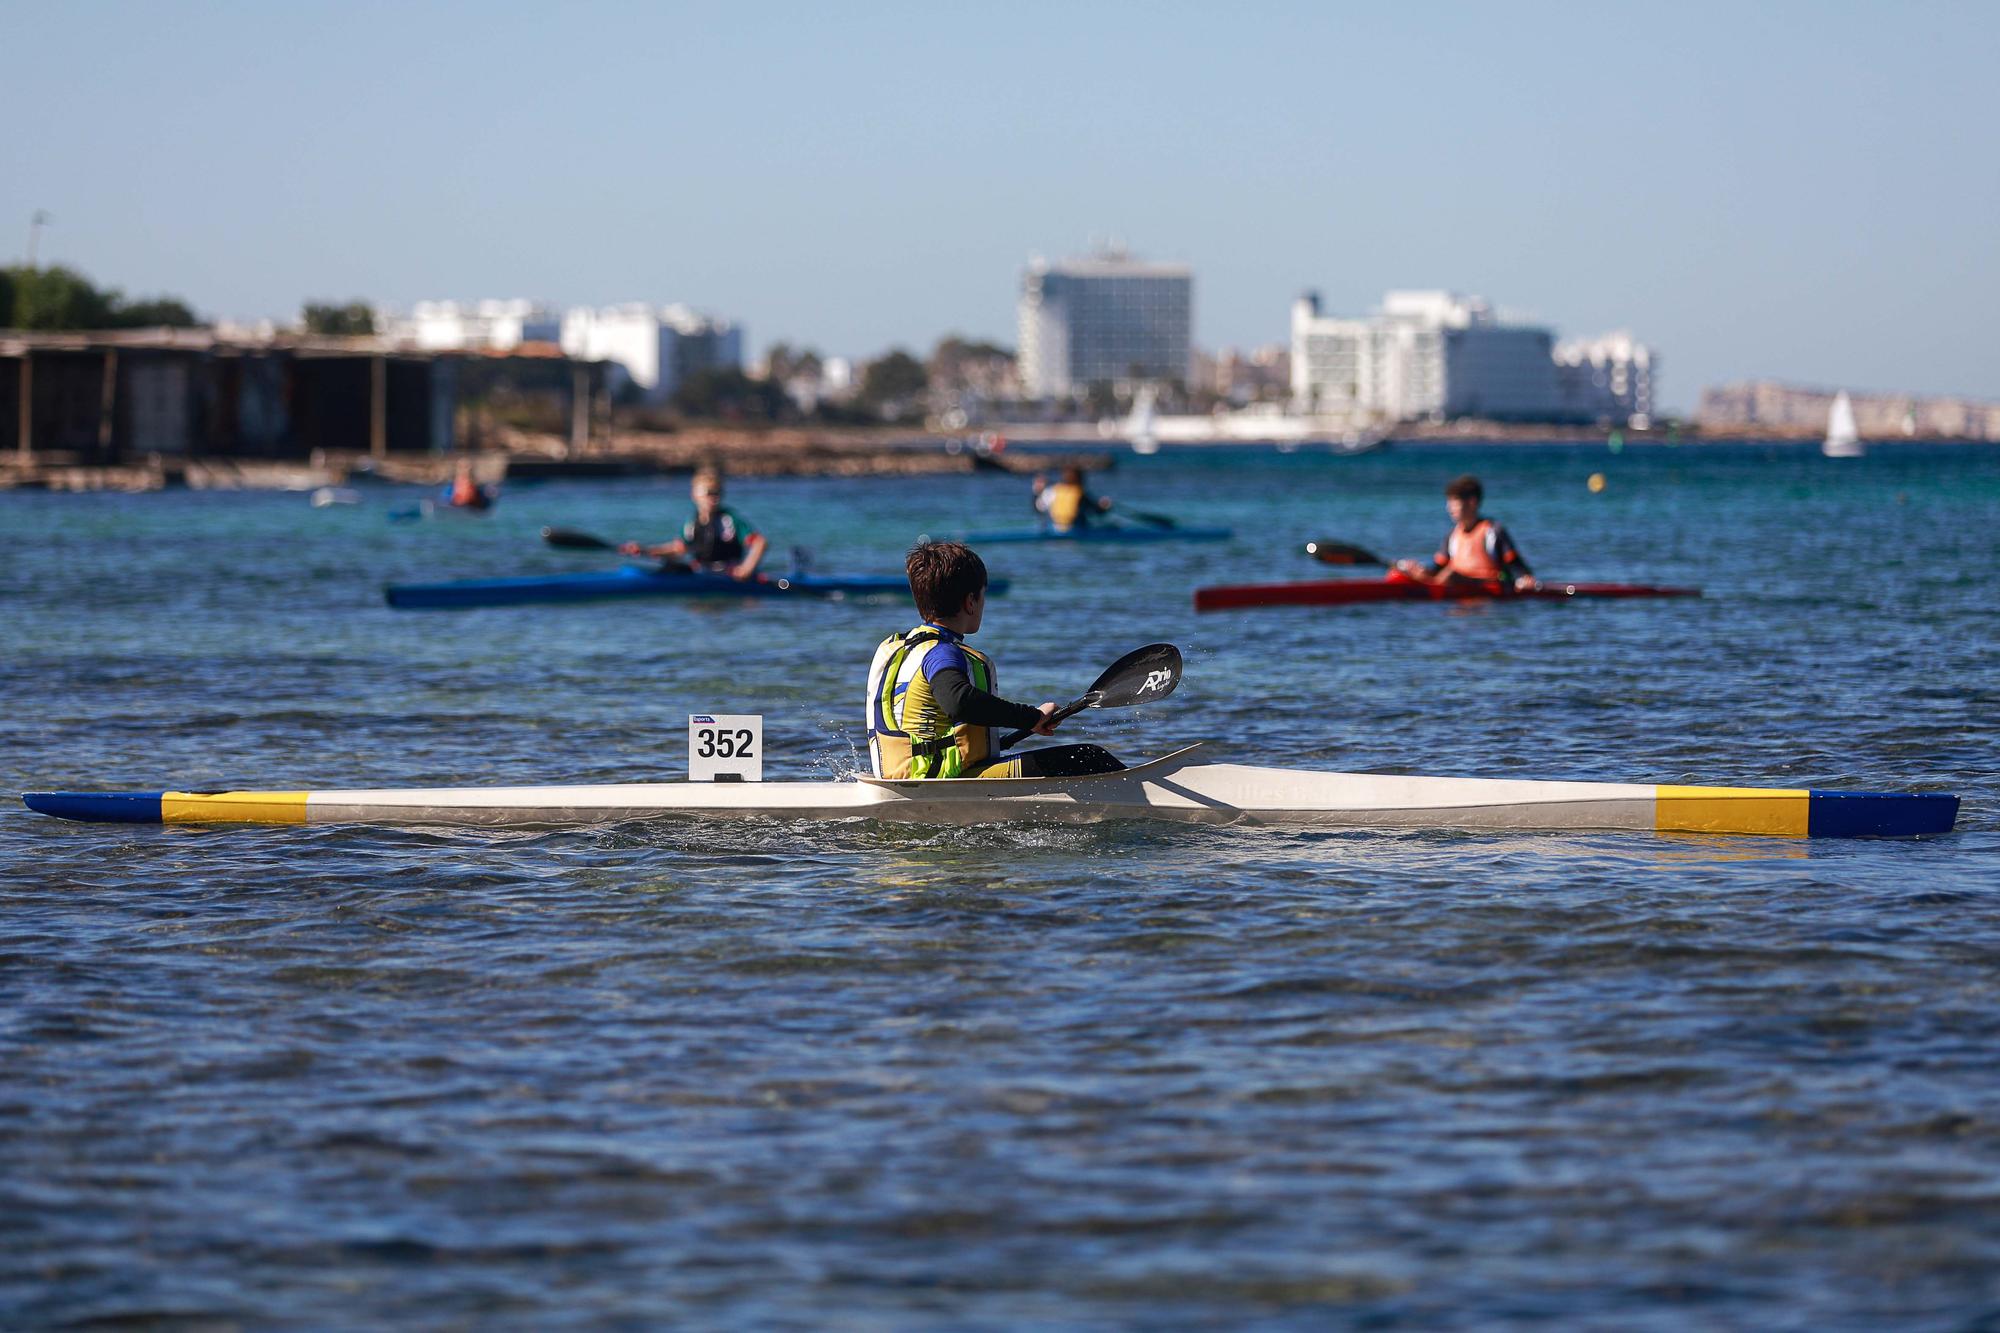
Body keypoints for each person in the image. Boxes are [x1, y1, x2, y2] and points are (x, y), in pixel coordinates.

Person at [866, 540, 1125, 779]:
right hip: (940, 782)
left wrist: (1014, 731)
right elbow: (959, 702)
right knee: (1086, 758)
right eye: (982, 596)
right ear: (971, 602)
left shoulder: (904, 647)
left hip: (903, 778)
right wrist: (1030, 717)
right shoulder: (941, 652)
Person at [1394, 474, 1538, 592]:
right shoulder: (1452, 536)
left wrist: (1526, 579)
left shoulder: (1493, 531)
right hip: (1454, 584)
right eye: (1448, 503)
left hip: (1489, 587)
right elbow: (1438, 568)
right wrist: (1419, 570)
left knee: (1450, 575)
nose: (1449, 508)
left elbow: (1516, 564)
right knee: (1400, 573)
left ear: (1472, 502)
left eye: (1454, 503)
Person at [620, 467, 768, 580]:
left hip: (727, 574)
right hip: (702, 572)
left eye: (718, 493)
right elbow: (677, 549)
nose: (714, 498)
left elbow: (760, 543)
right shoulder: (692, 523)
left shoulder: (729, 519)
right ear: (694, 495)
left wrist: (746, 569)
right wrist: (644, 550)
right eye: (709, 493)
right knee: (670, 567)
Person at [1044, 465, 1114, 532]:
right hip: (1076, 528)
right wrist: (1105, 506)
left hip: (1054, 528)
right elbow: (1097, 511)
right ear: (1080, 479)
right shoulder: (1080, 494)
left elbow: (1039, 507)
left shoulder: (1052, 491)